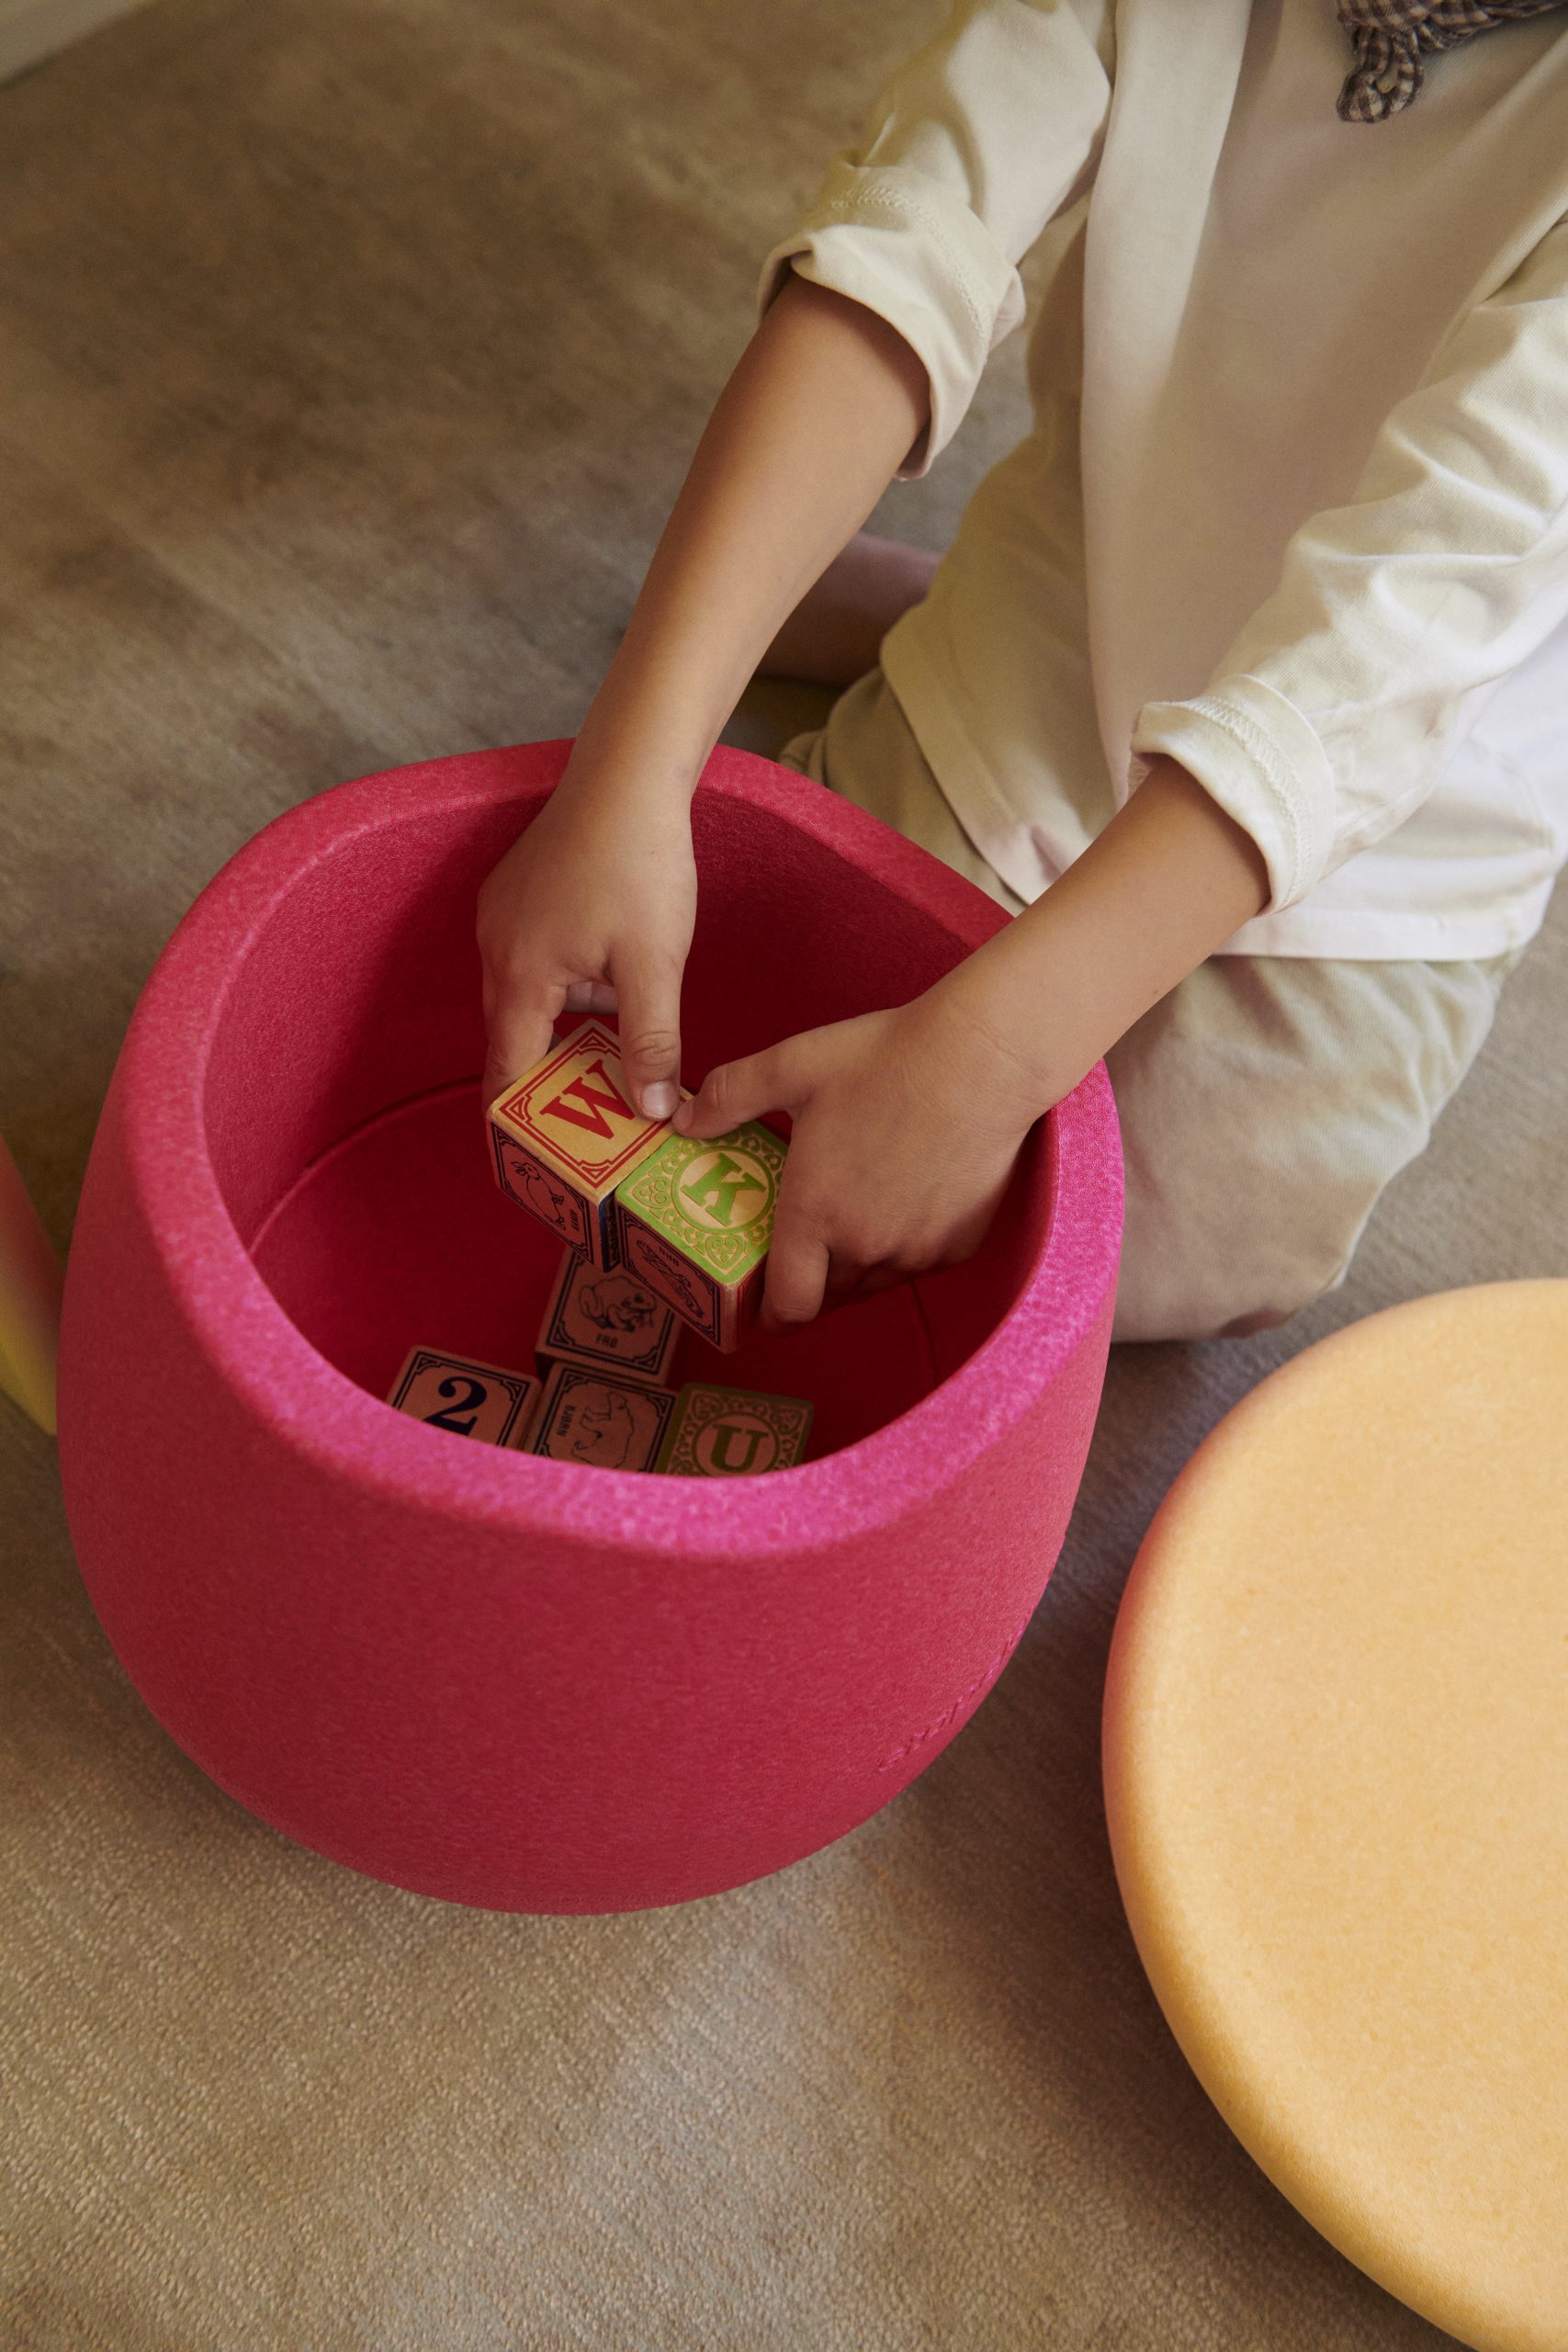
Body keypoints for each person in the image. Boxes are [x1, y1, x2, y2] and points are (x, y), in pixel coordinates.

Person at [478, 0, 1568, 1343]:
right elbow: (913, 233)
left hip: (1406, 786)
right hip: (1084, 586)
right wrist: (631, 771)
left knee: (1151, 1242)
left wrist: (986, 1060)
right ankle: (943, 609)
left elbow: (1403, 630)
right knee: (777, 1038)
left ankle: (914, 604)